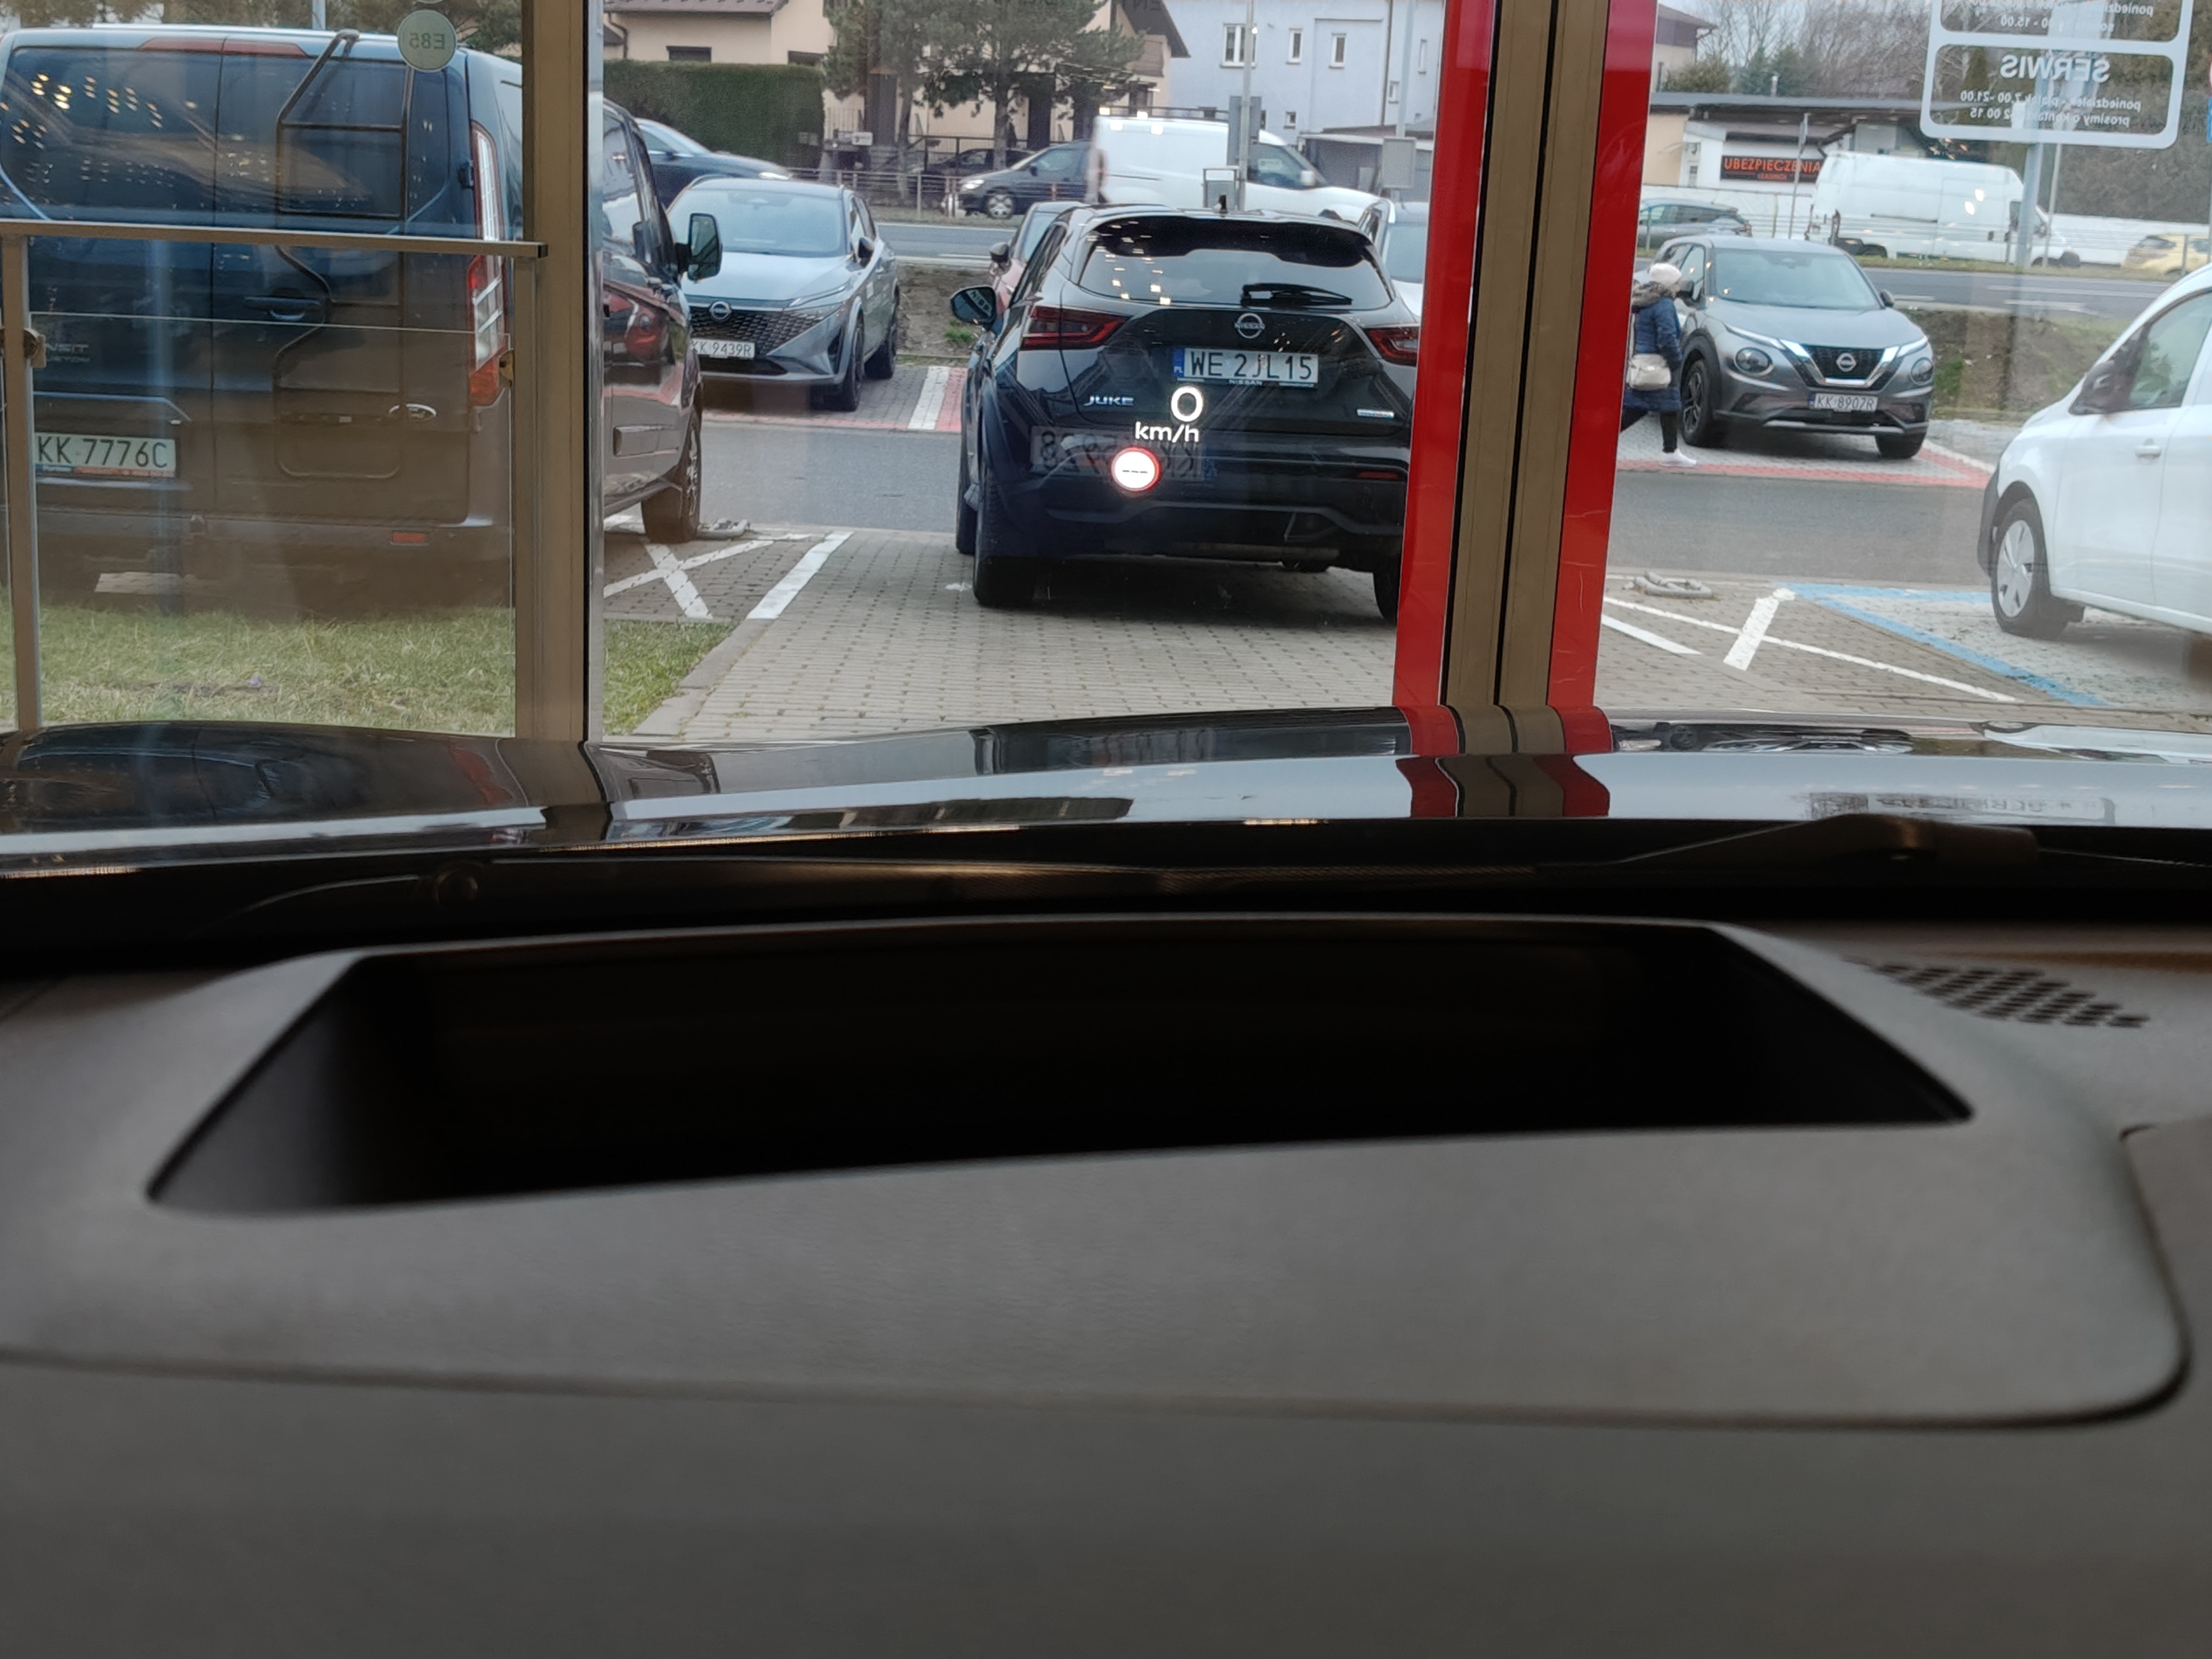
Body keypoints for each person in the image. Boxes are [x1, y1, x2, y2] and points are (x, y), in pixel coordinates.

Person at [1622, 261, 1696, 470]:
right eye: (1677, 282)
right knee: (1638, 408)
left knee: (1668, 407)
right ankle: (1670, 453)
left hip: (1645, 362)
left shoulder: (1646, 300)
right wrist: (1676, 359)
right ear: (1669, 284)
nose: (1680, 287)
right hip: (1659, 364)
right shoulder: (1664, 304)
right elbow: (1667, 336)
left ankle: (1671, 451)